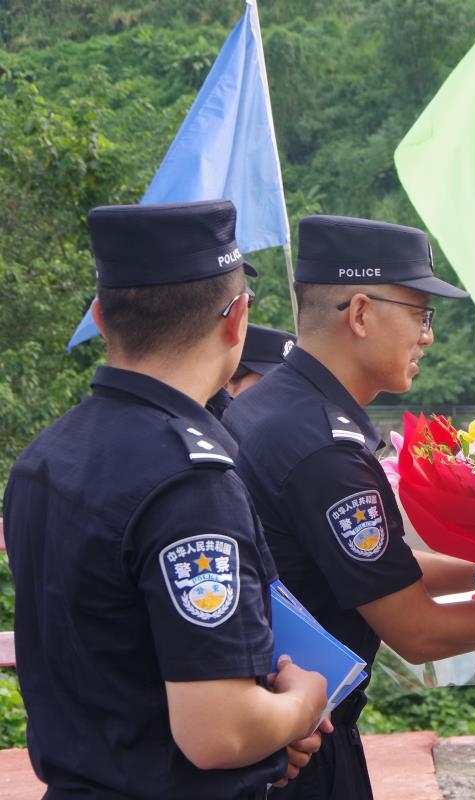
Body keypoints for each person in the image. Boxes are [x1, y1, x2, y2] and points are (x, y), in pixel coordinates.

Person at [222, 214, 475, 799]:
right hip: (301, 750)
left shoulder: (270, 407)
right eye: (420, 314)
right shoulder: (326, 450)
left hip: (276, 722)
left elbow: (366, 573)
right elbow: (418, 631)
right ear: (362, 313)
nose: (428, 336)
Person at [2, 200, 331, 799]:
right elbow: (219, 732)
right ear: (237, 320)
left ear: (102, 318)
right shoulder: (190, 481)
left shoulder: (45, 457)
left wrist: (267, 736)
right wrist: (303, 701)